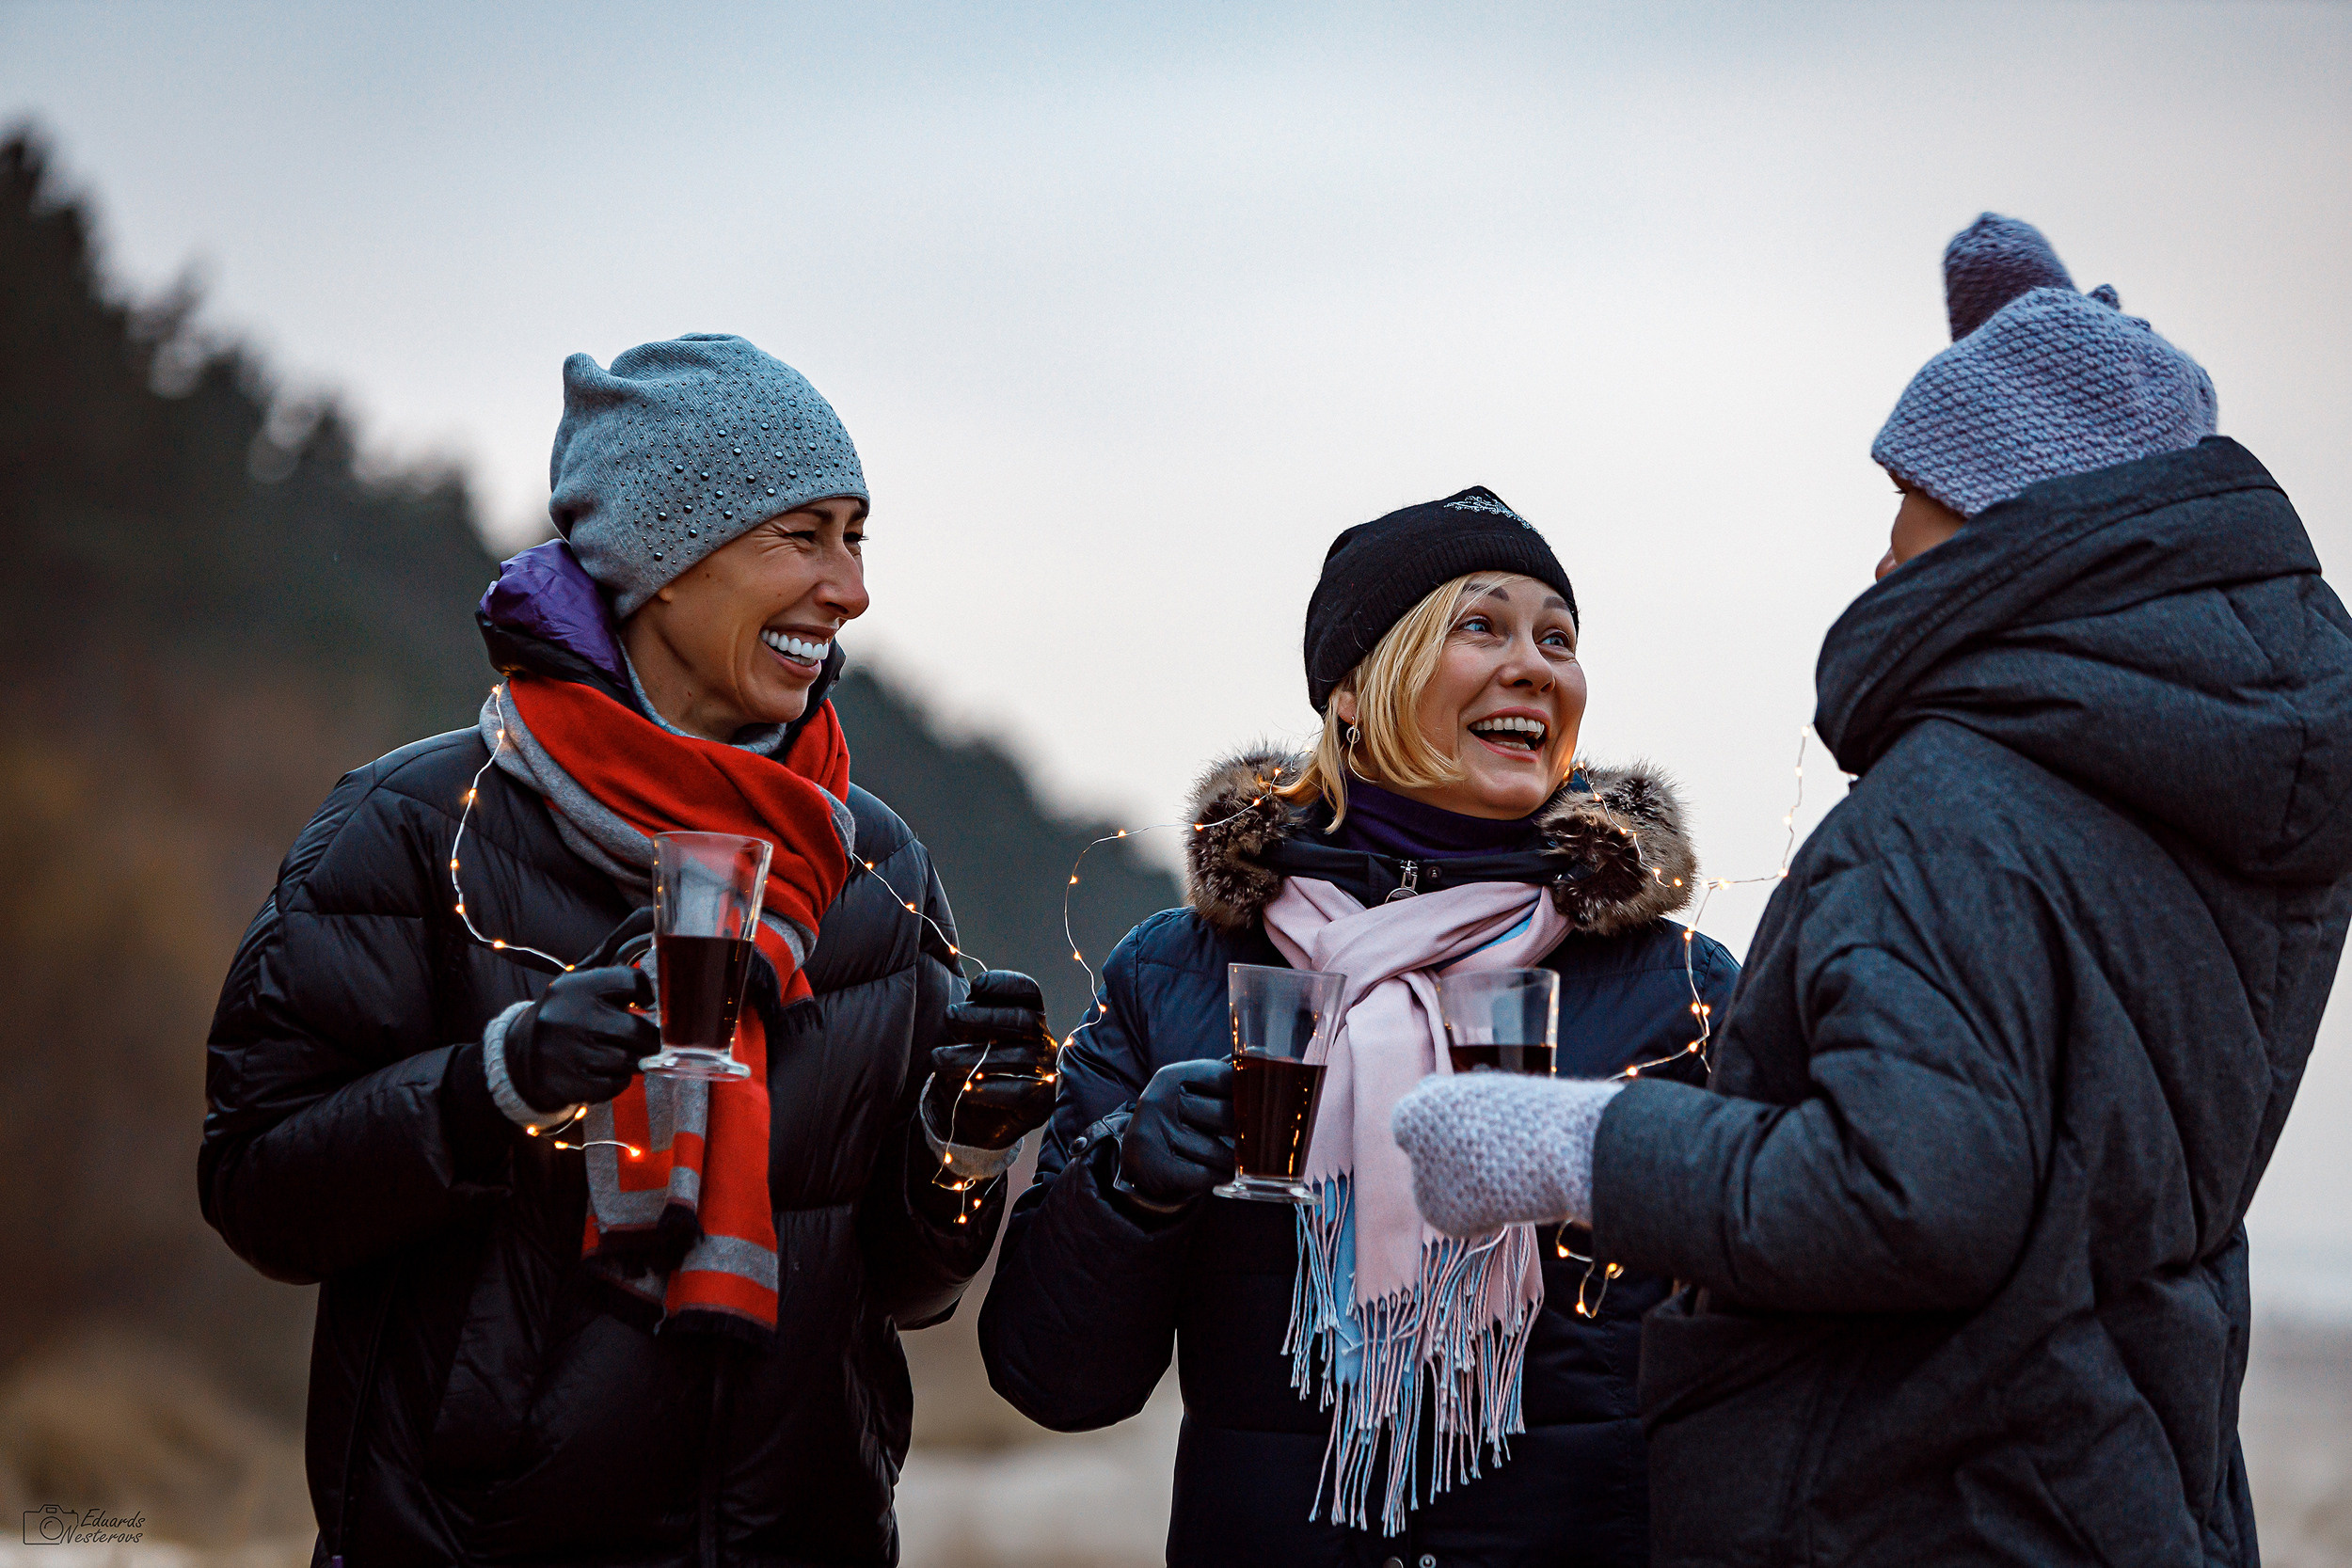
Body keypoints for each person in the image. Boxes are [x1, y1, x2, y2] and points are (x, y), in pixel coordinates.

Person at [1393, 215, 2352, 1566]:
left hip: (1909, 1501)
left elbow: (1913, 1193)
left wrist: (1571, 1144)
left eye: (1908, 490)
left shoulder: (1951, 813)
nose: (1883, 549)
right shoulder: (2192, 795)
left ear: (1999, 519)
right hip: (2127, 1483)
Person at [200, 335, 1058, 1566]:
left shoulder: (872, 864)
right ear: (662, 559)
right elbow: (261, 1188)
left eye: (855, 536)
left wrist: (960, 1139)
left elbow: (907, 1282)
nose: (851, 588)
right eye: (801, 536)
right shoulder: (418, 828)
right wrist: (501, 1076)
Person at [978, 487, 1738, 1567]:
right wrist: (1125, 1183)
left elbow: (1780, 1351)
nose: (1534, 664)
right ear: (1351, 688)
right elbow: (1053, 1381)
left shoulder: (1677, 991)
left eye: (1557, 638)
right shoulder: (1180, 970)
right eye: (1481, 623)